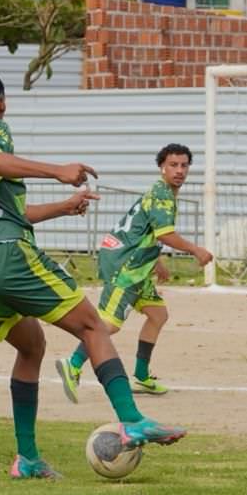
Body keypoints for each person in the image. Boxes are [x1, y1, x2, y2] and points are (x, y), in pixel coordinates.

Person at [0, 72, 186, 480]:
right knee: (93, 325)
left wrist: (63, 206)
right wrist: (59, 170)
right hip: (4, 253)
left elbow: (12, 211)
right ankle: (131, 420)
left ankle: (27, 459)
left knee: (31, 346)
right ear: (2, 104)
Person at [57, 143, 214, 400]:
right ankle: (72, 365)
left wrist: (156, 261)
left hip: (138, 264)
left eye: (184, 165)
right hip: (125, 265)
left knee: (157, 315)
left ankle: (141, 377)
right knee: (108, 324)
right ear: (162, 167)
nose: (179, 170)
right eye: (173, 165)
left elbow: (145, 231)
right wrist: (196, 250)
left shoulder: (163, 192)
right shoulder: (162, 195)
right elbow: (165, 234)